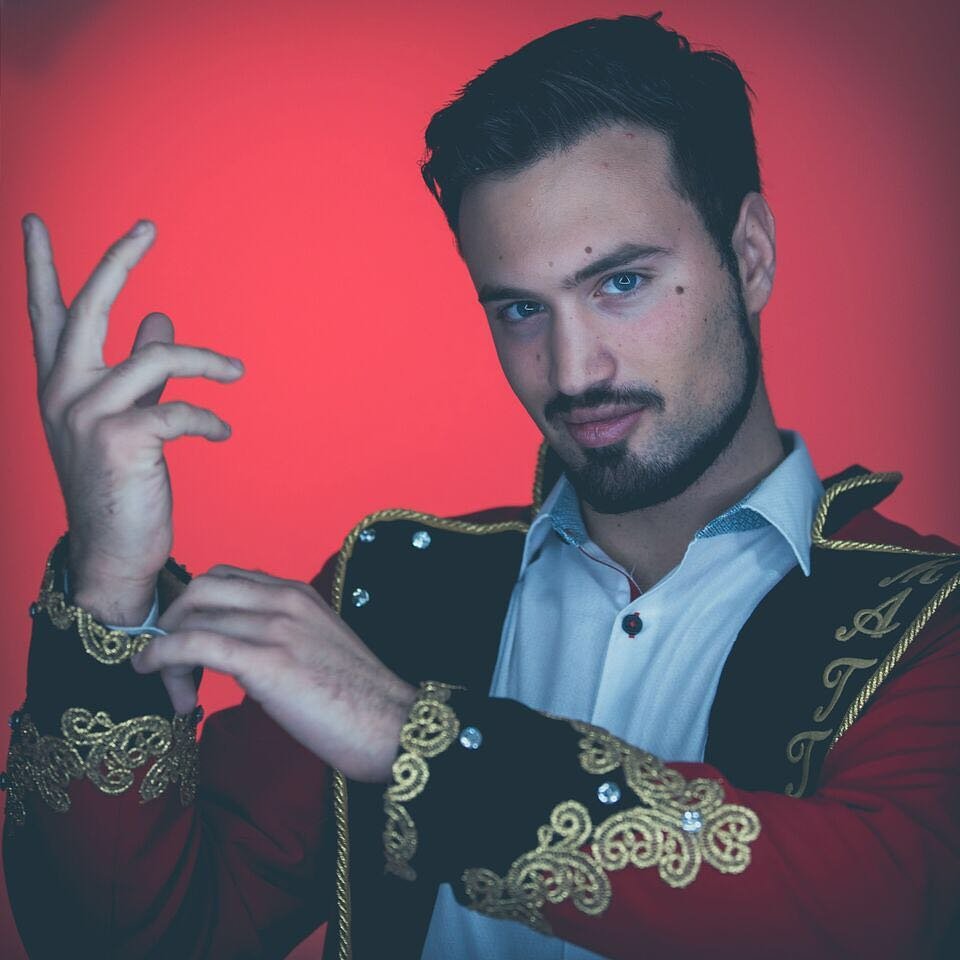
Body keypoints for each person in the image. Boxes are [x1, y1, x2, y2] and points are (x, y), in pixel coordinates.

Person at [3, 12, 958, 960]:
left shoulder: (928, 614)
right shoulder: (396, 592)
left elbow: (888, 912)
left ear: (749, 256)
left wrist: (414, 743)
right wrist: (110, 582)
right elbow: (145, 940)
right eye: (518, 309)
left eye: (620, 283)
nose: (574, 370)